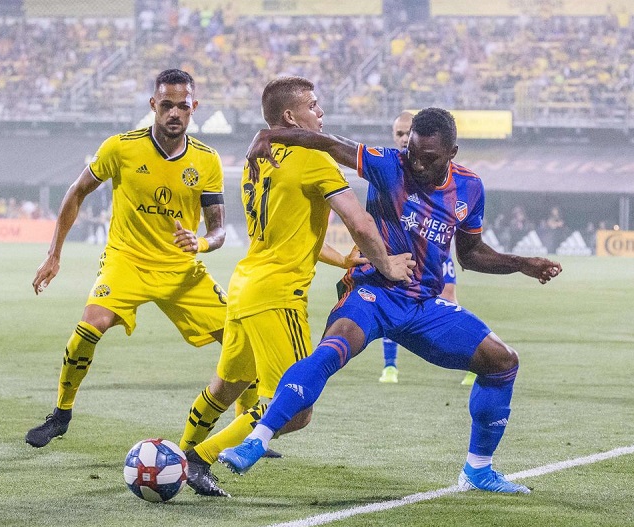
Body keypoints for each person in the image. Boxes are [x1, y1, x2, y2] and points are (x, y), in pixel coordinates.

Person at [218, 107, 562, 494]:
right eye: (412, 152)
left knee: (502, 361)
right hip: (373, 292)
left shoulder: (469, 188)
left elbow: (471, 254)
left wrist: (520, 264)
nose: (416, 163)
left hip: (423, 306)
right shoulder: (389, 164)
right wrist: (272, 135)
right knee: (333, 349)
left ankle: (478, 471)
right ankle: (257, 438)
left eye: (428, 158)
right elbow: (331, 143)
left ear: (453, 152)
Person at [180, 76, 413, 497]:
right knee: (295, 407)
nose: (320, 113)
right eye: (313, 105)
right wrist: (387, 264)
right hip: (277, 295)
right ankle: (199, 460)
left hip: (246, 285)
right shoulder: (313, 157)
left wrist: (342, 259)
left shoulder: (258, 160)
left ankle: (180, 455)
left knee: (226, 387)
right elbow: (357, 220)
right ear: (290, 116)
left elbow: (288, 230)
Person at [25, 69, 241, 447]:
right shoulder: (120, 148)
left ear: (194, 108)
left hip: (180, 270)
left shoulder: (207, 160)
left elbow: (219, 230)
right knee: (89, 327)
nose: (175, 112)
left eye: (183, 106)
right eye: (167, 105)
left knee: (240, 341)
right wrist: (54, 254)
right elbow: (76, 193)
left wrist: (202, 243)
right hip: (127, 261)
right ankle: (61, 413)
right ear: (153, 105)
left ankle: (247, 425)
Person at [380, 111, 469, 385]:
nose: (404, 138)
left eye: (408, 133)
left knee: (449, 298)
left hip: (435, 252)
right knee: (389, 304)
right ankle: (390, 366)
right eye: (399, 134)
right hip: (397, 254)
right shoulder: (388, 167)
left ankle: (472, 359)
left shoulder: (435, 166)